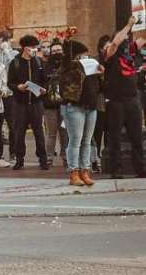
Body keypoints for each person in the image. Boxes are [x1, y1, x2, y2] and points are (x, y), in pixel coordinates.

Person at [100, 15, 146, 179]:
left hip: (132, 99)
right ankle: (116, 169)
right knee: (115, 137)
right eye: (124, 39)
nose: (126, 42)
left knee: (137, 136)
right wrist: (128, 25)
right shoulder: (110, 56)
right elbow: (115, 42)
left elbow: (139, 42)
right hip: (116, 101)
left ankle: (140, 168)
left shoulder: (129, 56)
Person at [59, 40, 100, 187]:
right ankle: (74, 172)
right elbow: (66, 58)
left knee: (87, 140)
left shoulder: (92, 66)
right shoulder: (69, 66)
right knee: (75, 139)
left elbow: (99, 86)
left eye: (86, 55)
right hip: (74, 106)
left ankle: (85, 171)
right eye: (82, 55)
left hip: (91, 106)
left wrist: (101, 73)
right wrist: (68, 39)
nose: (85, 58)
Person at [7, 34, 50, 170]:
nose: (35, 50)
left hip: (37, 103)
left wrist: (44, 89)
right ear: (25, 48)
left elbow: (45, 80)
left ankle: (43, 159)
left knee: (39, 132)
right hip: (20, 103)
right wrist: (18, 87)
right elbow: (10, 83)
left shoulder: (39, 62)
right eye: (33, 47)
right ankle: (19, 160)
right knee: (19, 132)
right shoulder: (15, 62)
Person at [42, 41, 68, 166]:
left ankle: (66, 157)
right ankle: (49, 158)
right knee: (51, 133)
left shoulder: (67, 66)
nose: (57, 53)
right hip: (49, 106)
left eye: (59, 50)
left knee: (64, 133)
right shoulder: (45, 66)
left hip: (65, 104)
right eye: (54, 51)